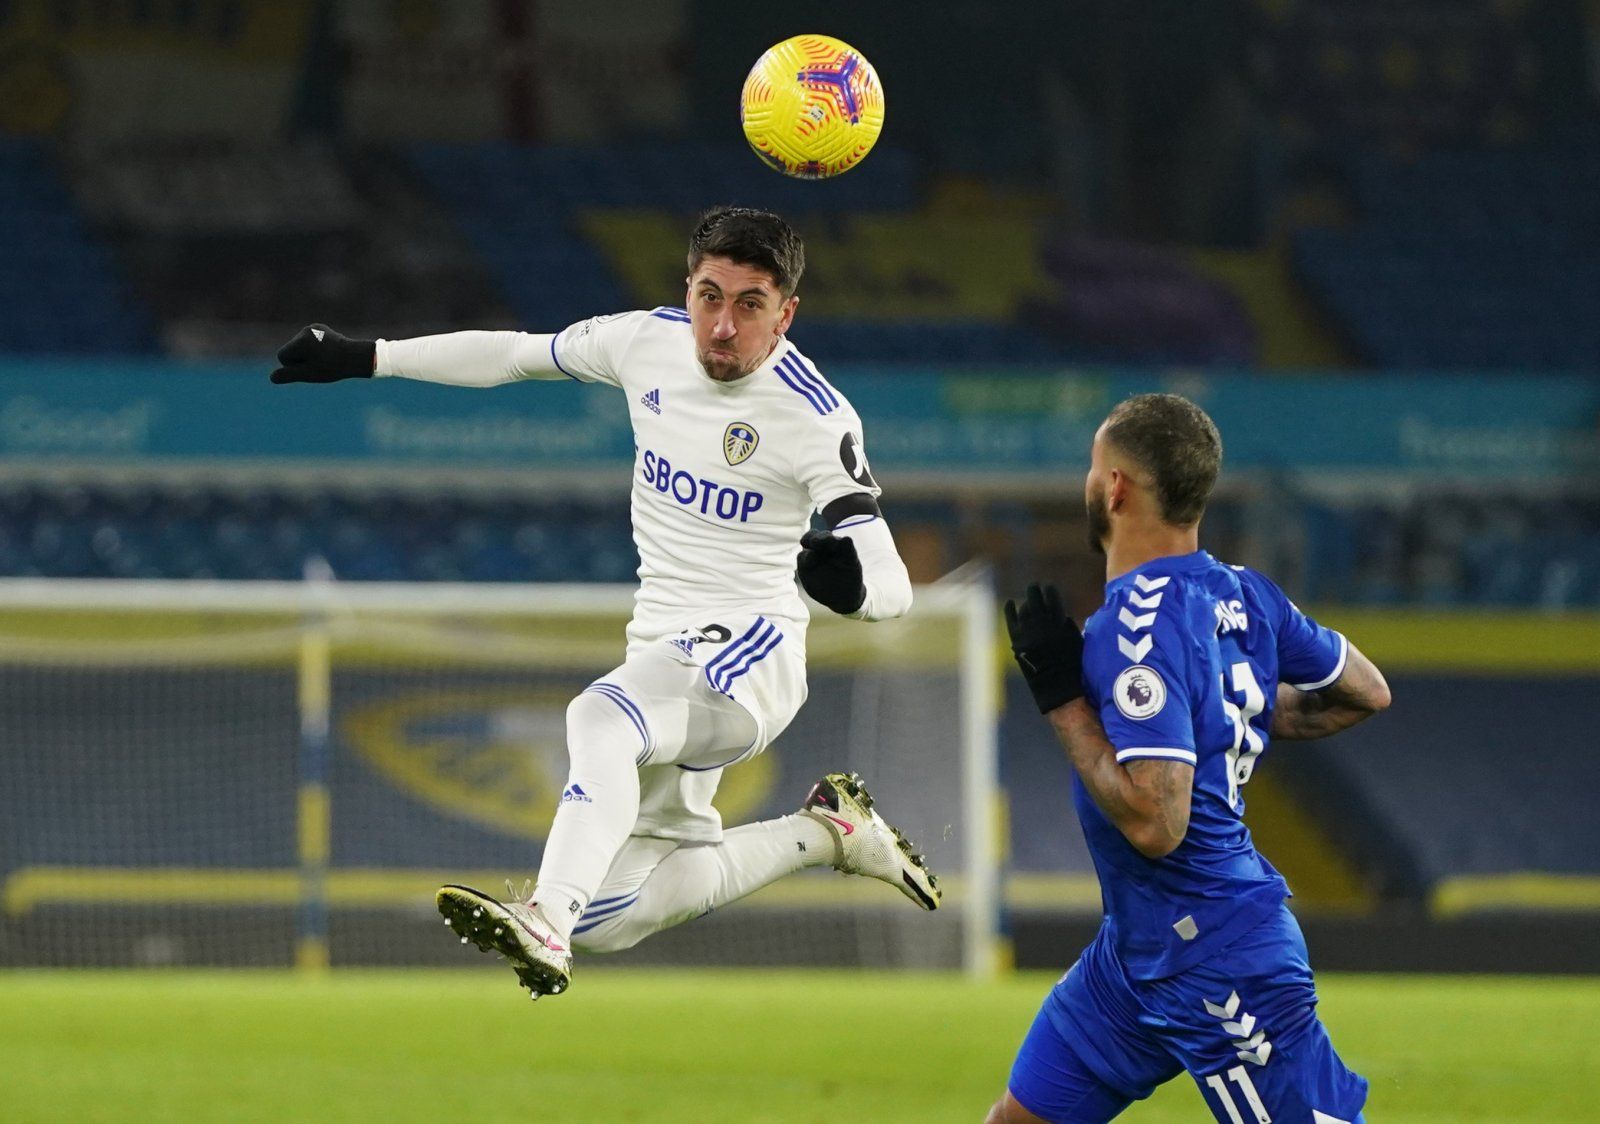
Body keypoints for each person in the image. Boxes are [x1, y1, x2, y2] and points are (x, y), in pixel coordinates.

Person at [269, 206, 941, 1000]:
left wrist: (854, 593)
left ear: (785, 314)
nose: (723, 326)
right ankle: (826, 832)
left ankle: (545, 921)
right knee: (613, 916)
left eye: (750, 304)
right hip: (663, 648)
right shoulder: (644, 341)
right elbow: (513, 356)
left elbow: (892, 583)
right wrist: (367, 357)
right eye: (709, 297)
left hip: (750, 655)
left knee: (600, 717)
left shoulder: (814, 416)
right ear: (687, 290)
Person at [992, 393, 1390, 1123]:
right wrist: (1235, 717)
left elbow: (1157, 823)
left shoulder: (1135, 624)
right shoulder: (1247, 596)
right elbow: (1365, 690)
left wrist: (1062, 701)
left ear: (1115, 487)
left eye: (1093, 467)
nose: (1089, 481)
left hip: (1216, 955)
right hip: (1133, 954)